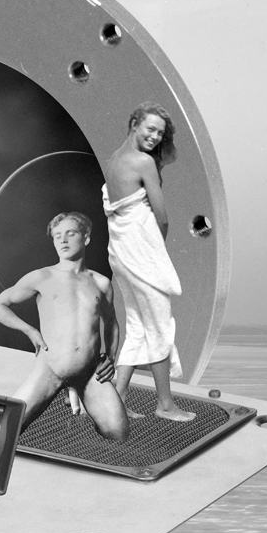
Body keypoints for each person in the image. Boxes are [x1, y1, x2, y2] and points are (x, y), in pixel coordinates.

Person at [0, 213, 129, 441]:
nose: (63, 240)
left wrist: (110, 358)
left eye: (70, 234)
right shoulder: (42, 276)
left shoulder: (101, 283)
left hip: (90, 371)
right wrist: (30, 330)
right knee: (4, 432)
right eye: (57, 236)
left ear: (86, 238)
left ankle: (80, 407)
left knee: (118, 433)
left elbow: (111, 322)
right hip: (50, 369)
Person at [102, 102, 195, 423]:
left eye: (160, 133)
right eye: (150, 129)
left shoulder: (114, 159)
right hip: (140, 255)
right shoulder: (143, 162)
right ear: (134, 124)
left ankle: (117, 398)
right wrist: (156, 249)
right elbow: (162, 217)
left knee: (138, 326)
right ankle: (165, 404)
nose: (155, 137)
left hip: (120, 253)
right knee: (159, 327)